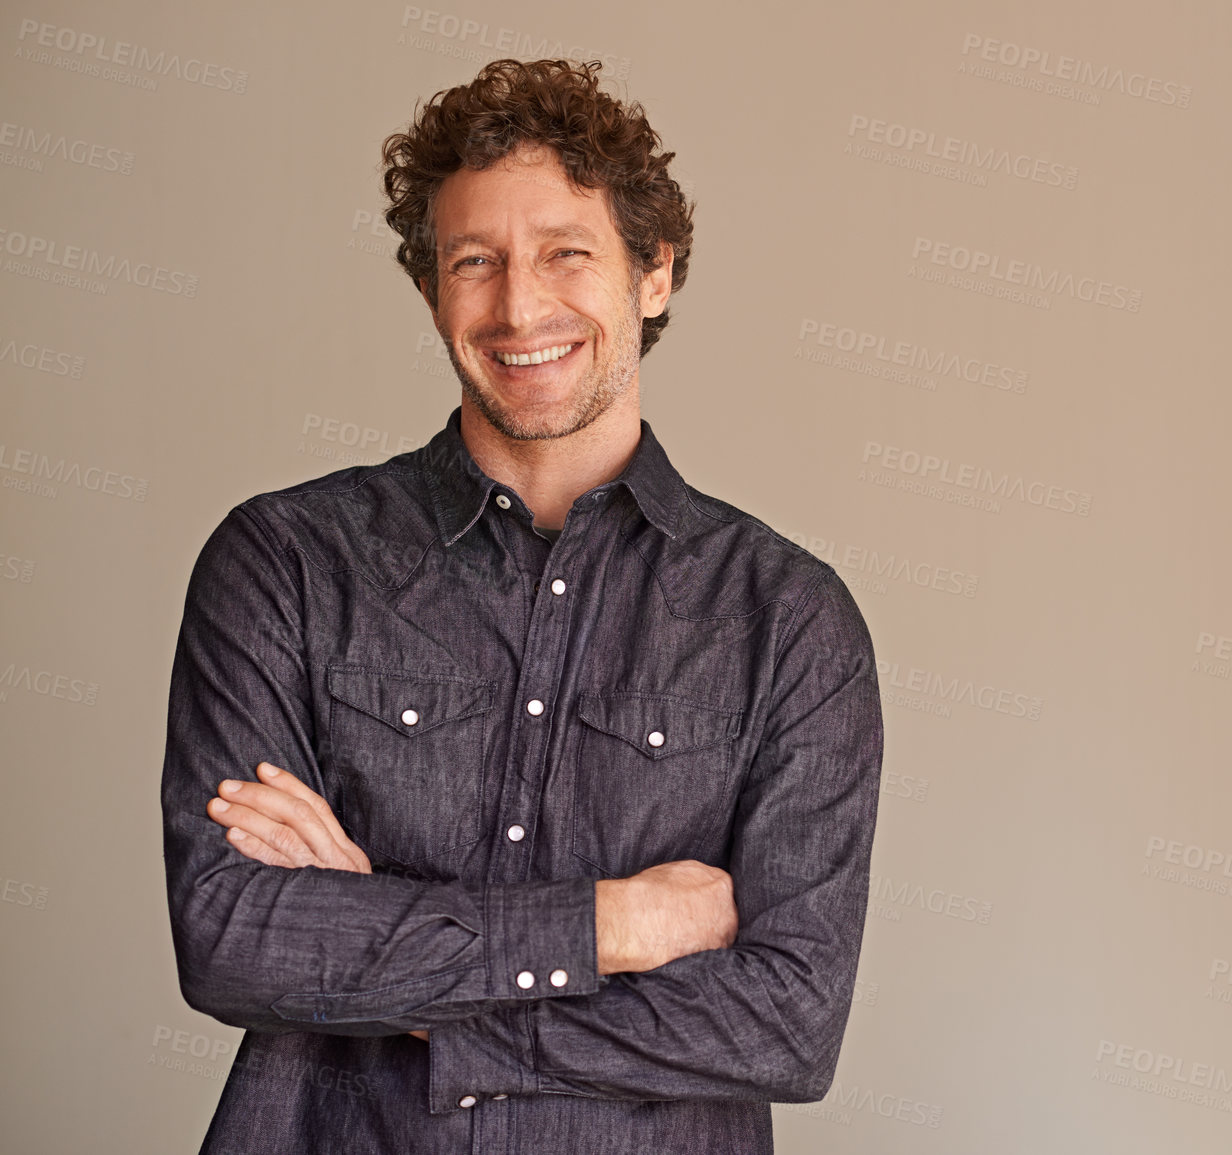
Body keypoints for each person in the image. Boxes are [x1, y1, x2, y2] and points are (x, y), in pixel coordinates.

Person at [159, 57, 883, 1154]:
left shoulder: (789, 622)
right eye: (474, 261)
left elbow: (787, 1023)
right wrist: (615, 924)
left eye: (566, 254)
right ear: (429, 289)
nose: (519, 306)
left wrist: (388, 964)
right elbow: (233, 937)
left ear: (656, 274)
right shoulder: (285, 563)